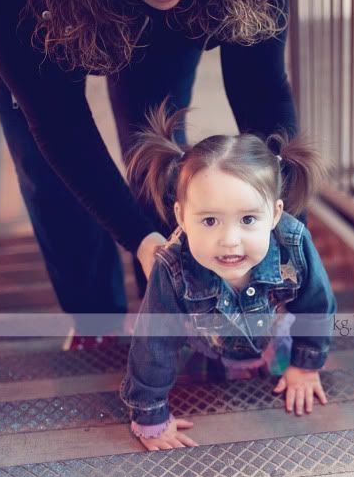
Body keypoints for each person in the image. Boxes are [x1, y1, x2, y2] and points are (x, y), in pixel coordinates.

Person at [0, 0, 296, 340]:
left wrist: (288, 238)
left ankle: (166, 302)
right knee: (49, 173)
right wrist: (140, 239)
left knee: (156, 145)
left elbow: (262, 92)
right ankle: (96, 320)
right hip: (30, 7)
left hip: (160, 25)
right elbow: (59, 127)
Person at [119, 104, 336, 451]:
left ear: (275, 214)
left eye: (248, 219)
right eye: (209, 221)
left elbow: (317, 307)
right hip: (204, 349)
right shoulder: (171, 266)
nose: (230, 240)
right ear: (182, 217)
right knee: (198, 383)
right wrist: (150, 415)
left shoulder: (293, 243)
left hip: (273, 342)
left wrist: (306, 366)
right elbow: (154, 342)